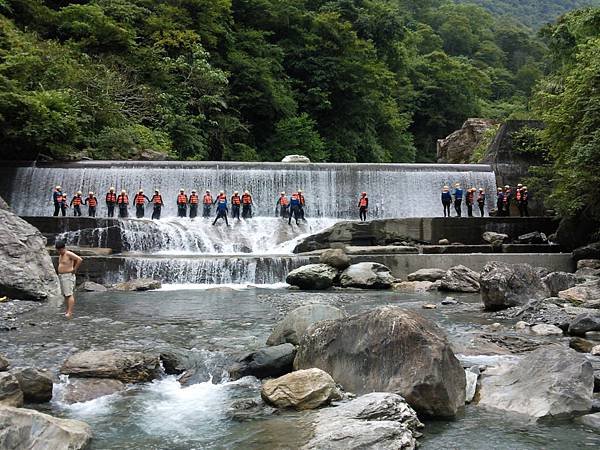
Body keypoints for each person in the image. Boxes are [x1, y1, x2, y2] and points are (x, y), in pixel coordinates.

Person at [55, 240, 82, 319]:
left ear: (64, 248)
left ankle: (70, 312)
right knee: (66, 295)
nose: (59, 252)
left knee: (69, 294)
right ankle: (67, 311)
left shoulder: (68, 253)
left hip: (68, 276)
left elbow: (79, 259)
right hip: (62, 276)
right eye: (58, 250)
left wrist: (75, 269)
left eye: (60, 250)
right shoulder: (61, 255)